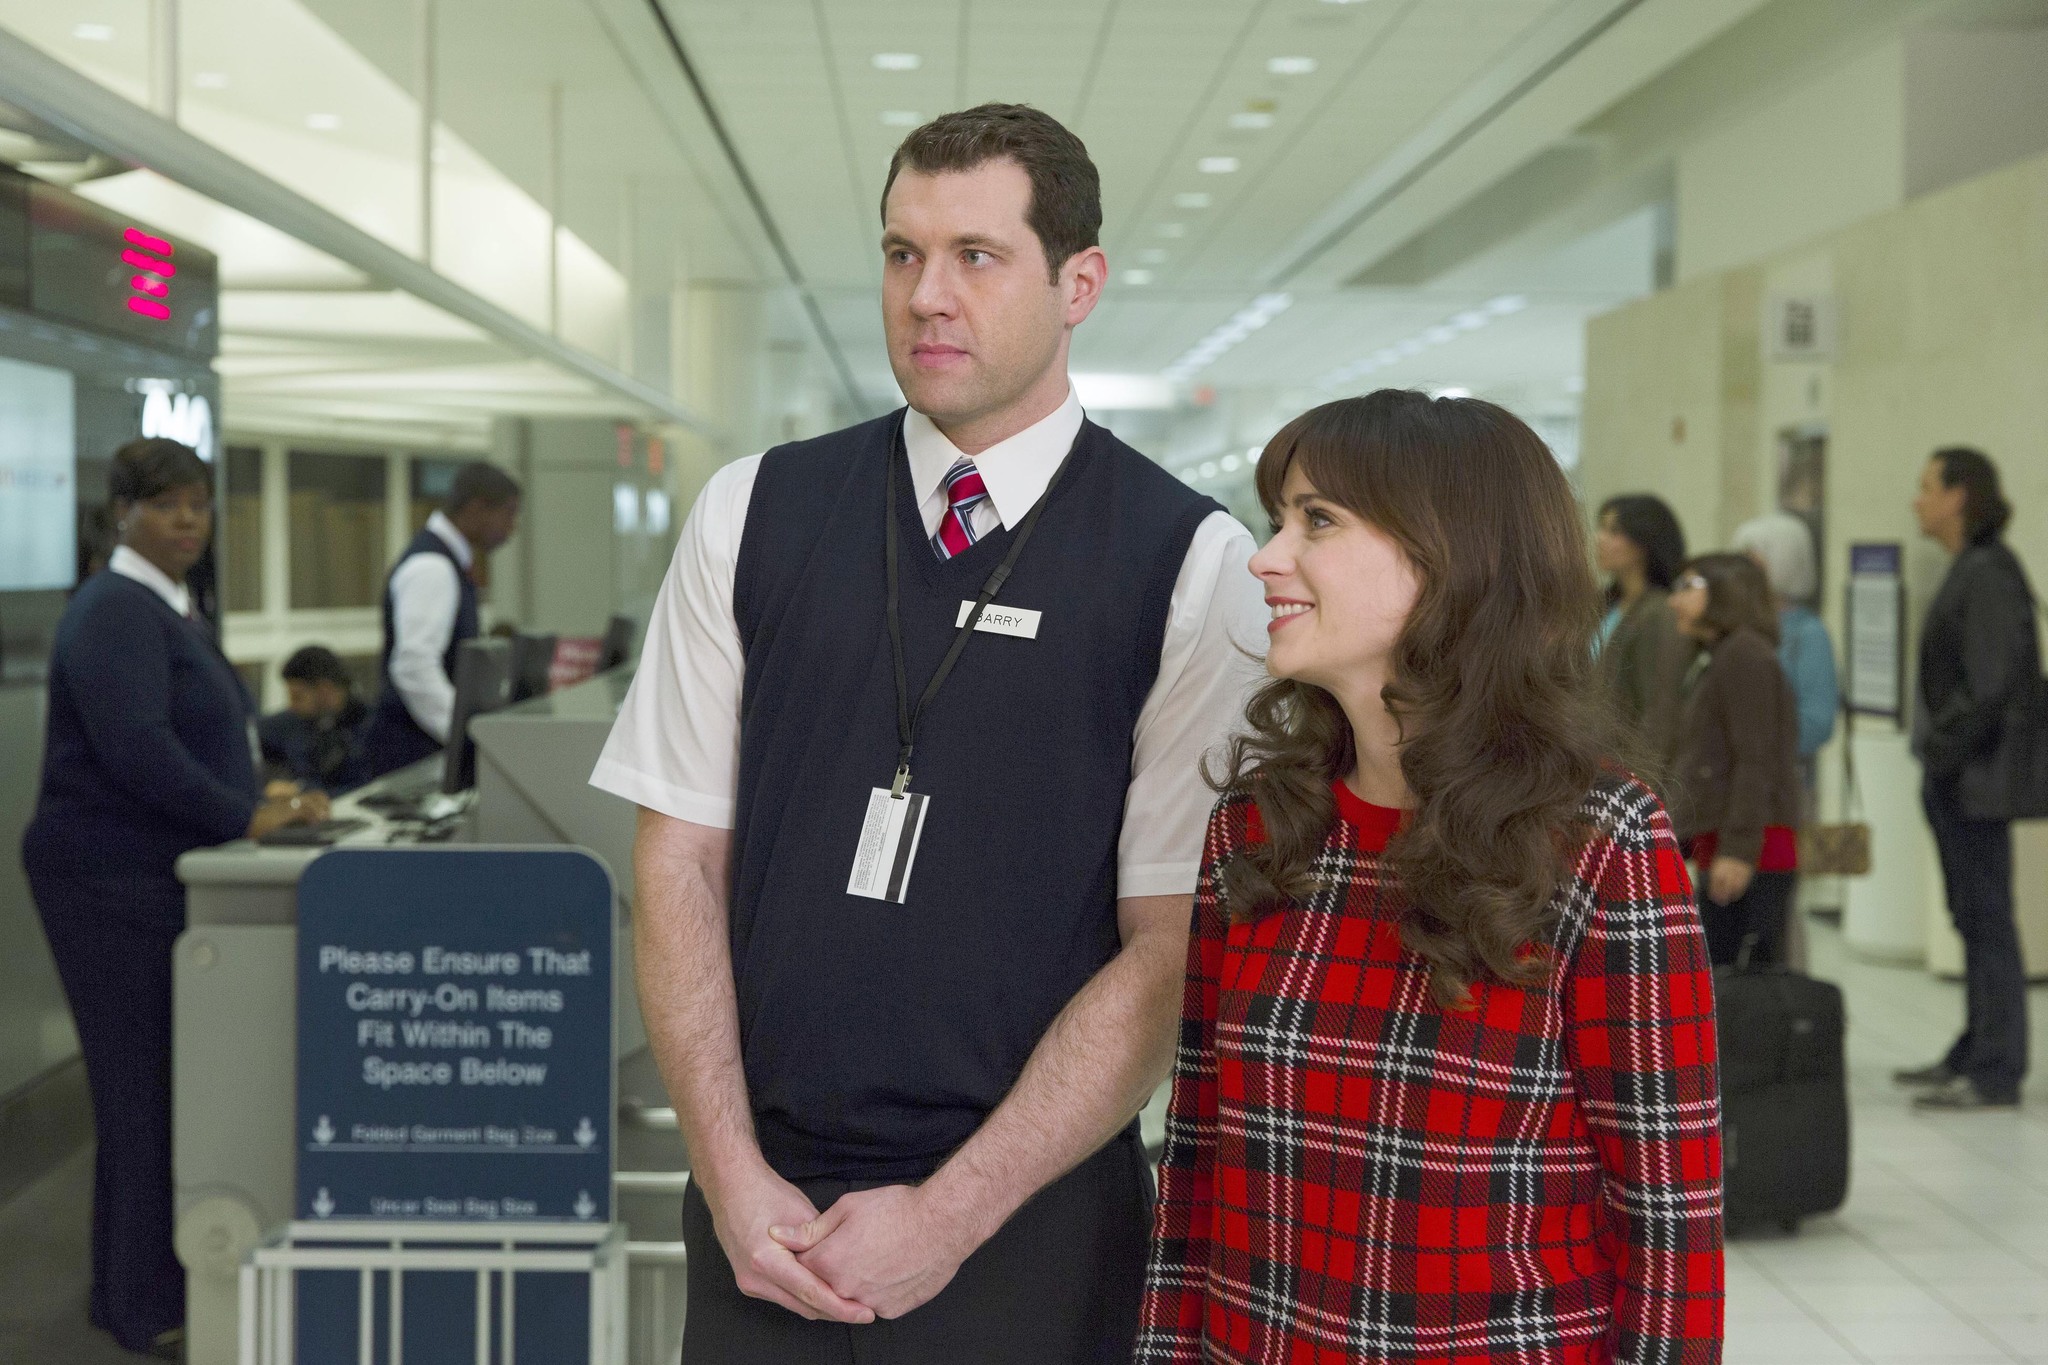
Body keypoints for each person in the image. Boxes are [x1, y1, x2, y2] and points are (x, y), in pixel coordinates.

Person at [589, 104, 1264, 1362]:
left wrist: (950, 1216)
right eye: (901, 255)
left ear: (1079, 284)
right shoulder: (755, 514)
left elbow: (1168, 948)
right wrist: (729, 1177)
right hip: (764, 1218)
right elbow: (675, 859)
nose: (926, 296)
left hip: (1026, 1222)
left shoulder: (1188, 562)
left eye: (975, 255)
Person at [1139, 392, 1723, 1364]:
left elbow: (1668, 1227)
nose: (1265, 556)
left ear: (1446, 558)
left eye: (1315, 521)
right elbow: (1195, 1167)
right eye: (1277, 518)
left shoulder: (1596, 843)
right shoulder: (1256, 828)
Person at [21, 438, 326, 1359]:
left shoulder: (164, 606)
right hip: (107, 877)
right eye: (165, 506)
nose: (188, 521)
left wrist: (254, 799)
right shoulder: (115, 608)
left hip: (143, 868)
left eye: (197, 504)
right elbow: (138, 748)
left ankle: (131, 1294)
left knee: (148, 1084)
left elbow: (188, 737)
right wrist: (244, 817)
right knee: (139, 1086)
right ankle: (137, 1305)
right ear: (121, 513)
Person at [1896, 447, 2040, 1111]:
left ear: (1959, 496)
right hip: (1963, 776)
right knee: (1972, 915)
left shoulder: (1987, 572)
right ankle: (1976, 1046)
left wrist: (1940, 755)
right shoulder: (1974, 568)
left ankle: (1995, 1067)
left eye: (1927, 487)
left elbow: (1987, 687)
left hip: (1976, 781)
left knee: (1987, 920)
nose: (1916, 500)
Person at [1668, 553, 1805, 967]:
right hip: (1729, 838)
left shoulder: (1745, 656)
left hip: (1752, 846)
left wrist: (1739, 851)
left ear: (1726, 593)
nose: (1675, 601)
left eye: (1688, 588)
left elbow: (1755, 759)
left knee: (1745, 985)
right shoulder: (1719, 654)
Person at [361, 462, 522, 778]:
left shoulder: (450, 561)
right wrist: (467, 733)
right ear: (476, 508)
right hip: (410, 752)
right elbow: (414, 666)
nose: (511, 527)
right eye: (508, 513)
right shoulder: (432, 567)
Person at [1733, 512, 1839, 787]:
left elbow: (1818, 720)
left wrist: (1752, 742)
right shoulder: (1737, 626)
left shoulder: (1809, 634)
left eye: (1753, 558)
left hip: (1780, 784)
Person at [1594, 493, 1692, 767]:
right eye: (1600, 528)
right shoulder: (1605, 605)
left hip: (1630, 770)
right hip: (1595, 760)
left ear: (1643, 543)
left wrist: (1641, 782)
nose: (1599, 539)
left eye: (1614, 531)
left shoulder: (1660, 613)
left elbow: (1660, 710)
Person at [259, 645, 371, 793]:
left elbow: (362, 788)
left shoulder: (369, 731)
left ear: (325, 690)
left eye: (297, 697)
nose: (291, 705)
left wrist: (299, 790)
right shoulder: (294, 722)